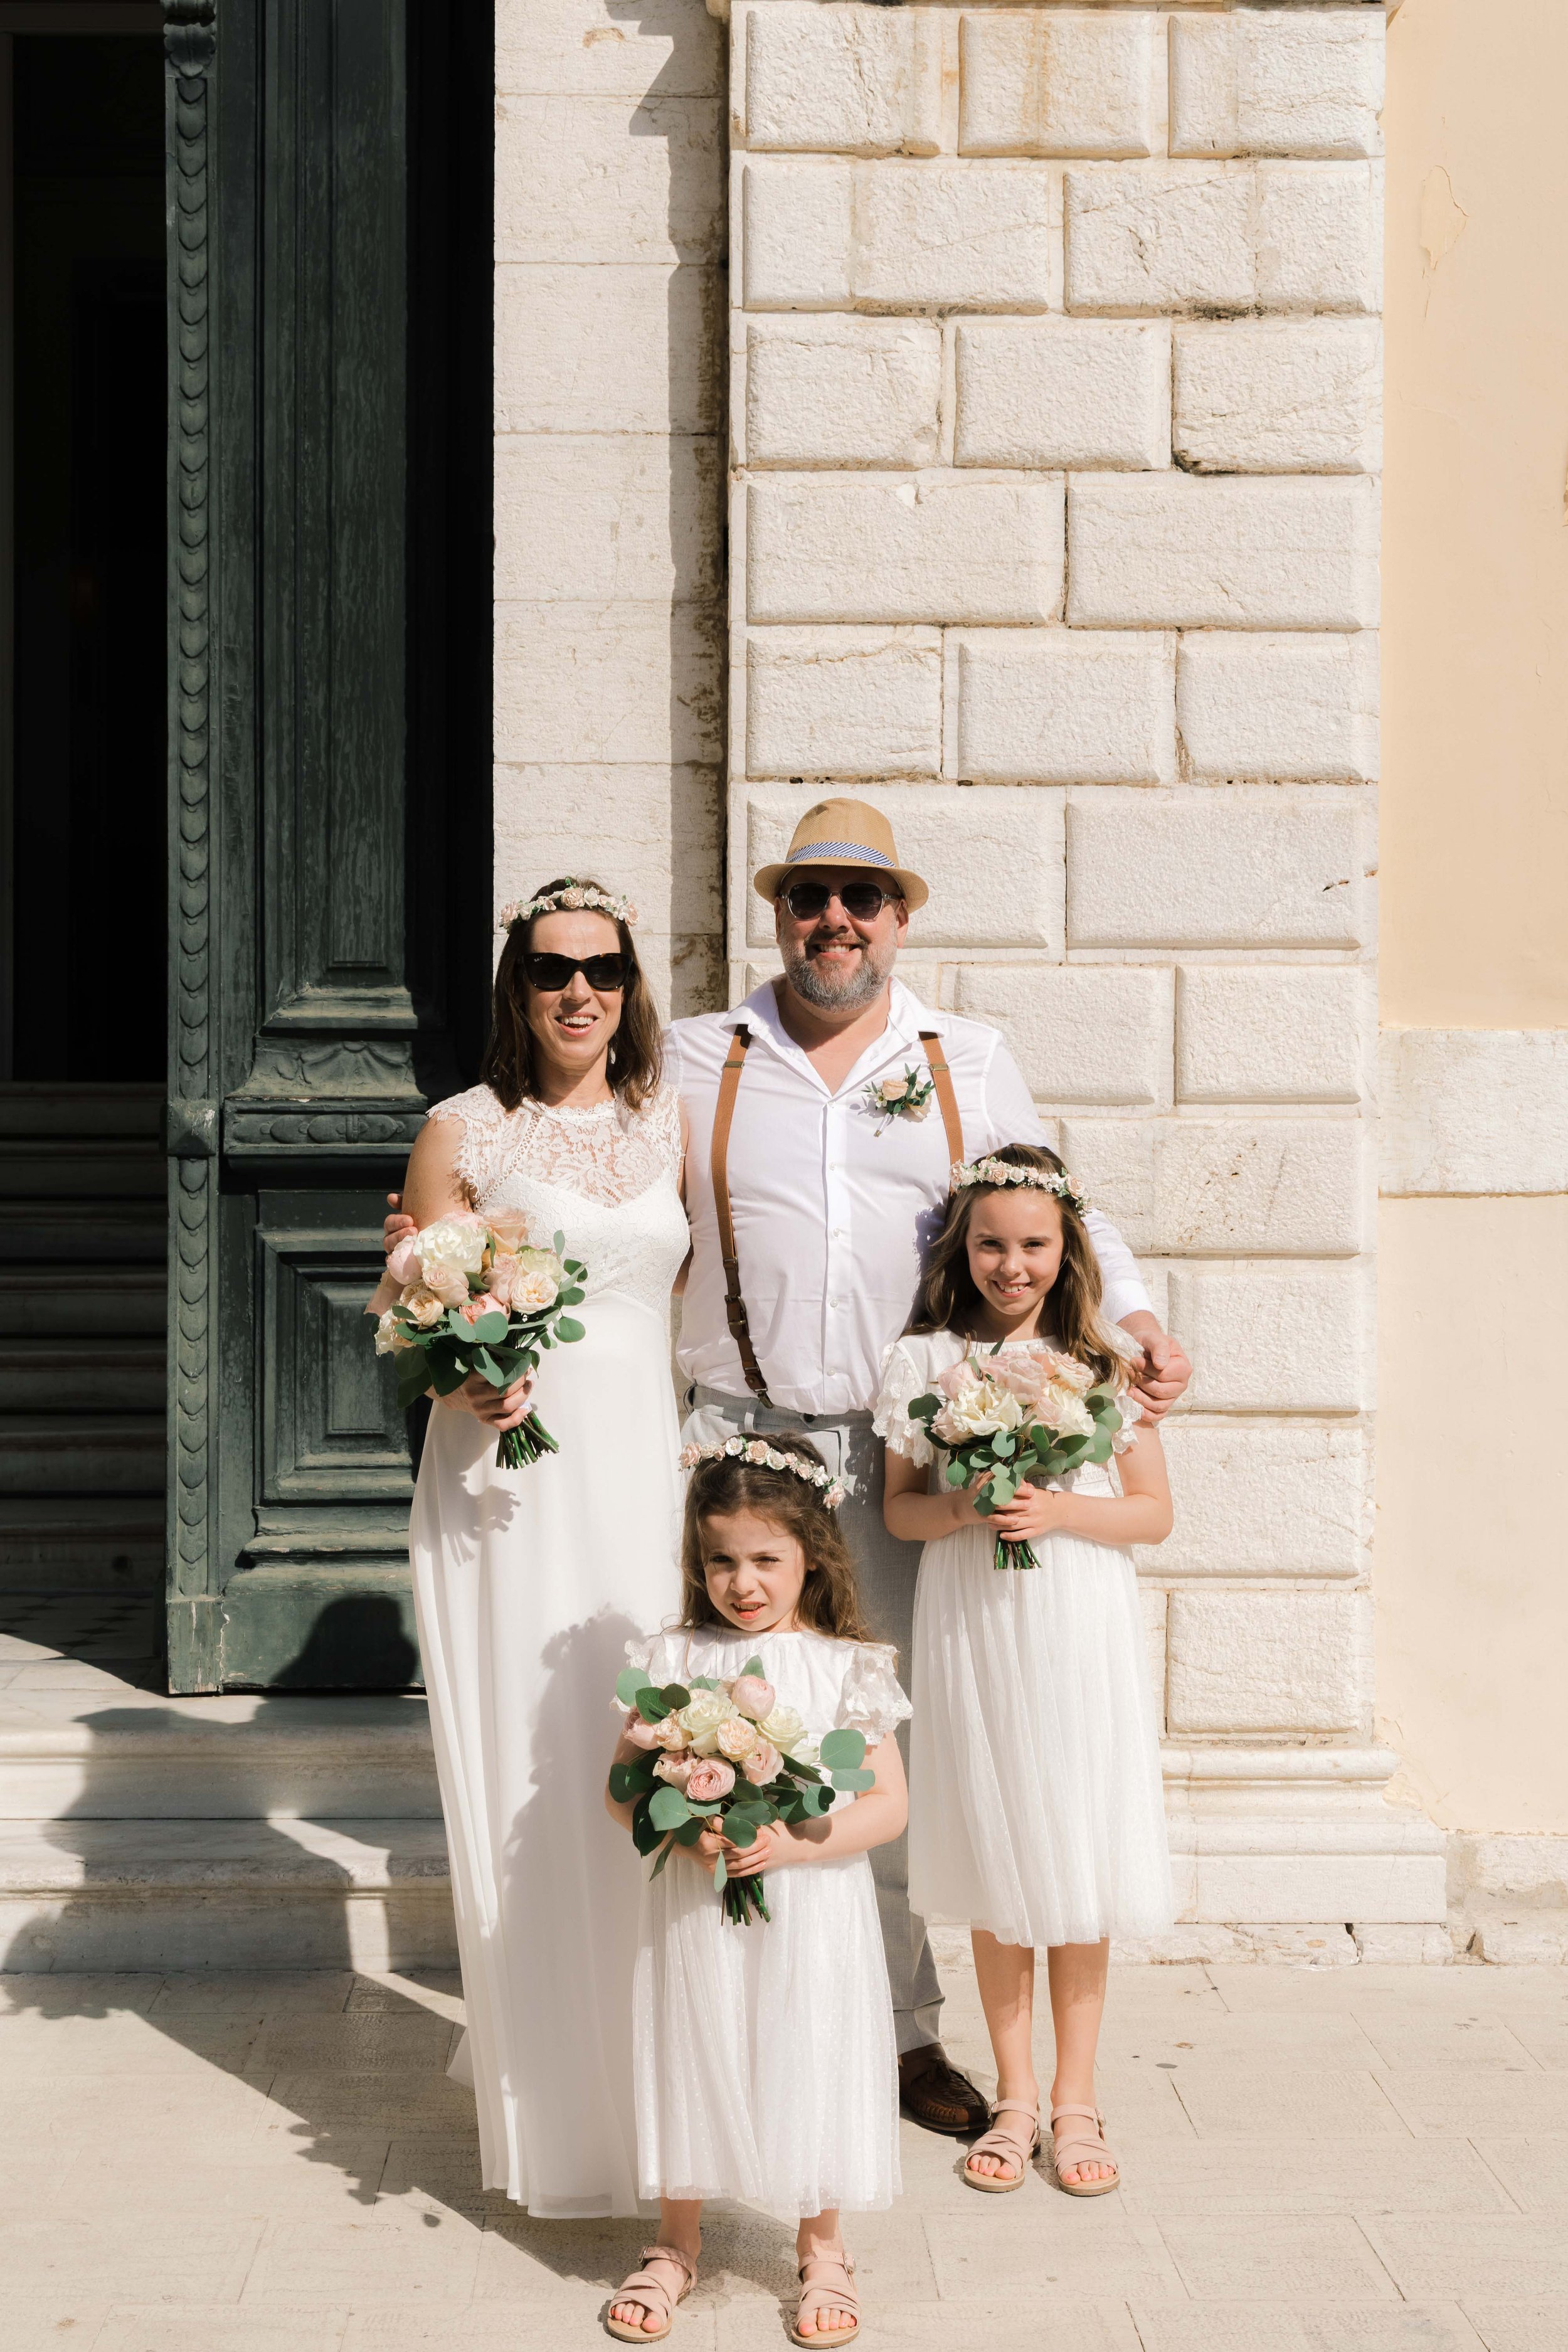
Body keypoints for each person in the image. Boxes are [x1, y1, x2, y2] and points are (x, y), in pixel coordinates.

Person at [662, 797, 1192, 2134]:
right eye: (807, 896)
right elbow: (612, 1199)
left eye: (860, 897)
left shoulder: (962, 1056)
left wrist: (1124, 1312)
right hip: (745, 1431)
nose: (830, 920)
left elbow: (1055, 1200)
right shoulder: (693, 1055)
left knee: (887, 1735)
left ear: (898, 917)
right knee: (750, 1714)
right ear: (777, 912)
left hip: (909, 1439)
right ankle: (745, 1999)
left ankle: (898, 2036)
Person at [378, 877, 690, 2217]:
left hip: (639, 1472)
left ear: (631, 987)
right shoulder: (458, 1131)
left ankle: (648, 2068)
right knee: (527, 1762)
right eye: (554, 970)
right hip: (508, 1478)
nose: (580, 994)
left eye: (604, 973)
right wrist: (457, 1379)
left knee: (631, 1740)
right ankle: (549, 2100)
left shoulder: (669, 1121)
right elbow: (407, 1318)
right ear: (517, 983)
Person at [875, 1143, 1174, 2197]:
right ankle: (1011, 2094)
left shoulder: (1101, 1360)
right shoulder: (924, 1361)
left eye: (1034, 1244)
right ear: (964, 1246)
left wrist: (1059, 1509)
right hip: (974, 1620)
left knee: (1076, 1851)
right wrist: (965, 1507)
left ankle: (1077, 2098)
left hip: (1073, 1619)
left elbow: (1152, 1510)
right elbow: (900, 1507)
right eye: (993, 1243)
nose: (1013, 1264)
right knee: (1003, 1852)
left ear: (1067, 1247)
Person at [605, 1439, 908, 2348]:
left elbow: (888, 1805)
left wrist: (795, 1842)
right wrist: (688, 1831)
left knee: (808, 2045)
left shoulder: (846, 1665)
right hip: (699, 1907)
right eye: (721, 1559)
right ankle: (675, 2240)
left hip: (812, 1908)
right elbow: (620, 1794)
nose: (744, 1582)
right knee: (697, 2042)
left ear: (811, 1553)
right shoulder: (671, 1658)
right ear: (698, 1560)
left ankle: (822, 2245)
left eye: (767, 1558)